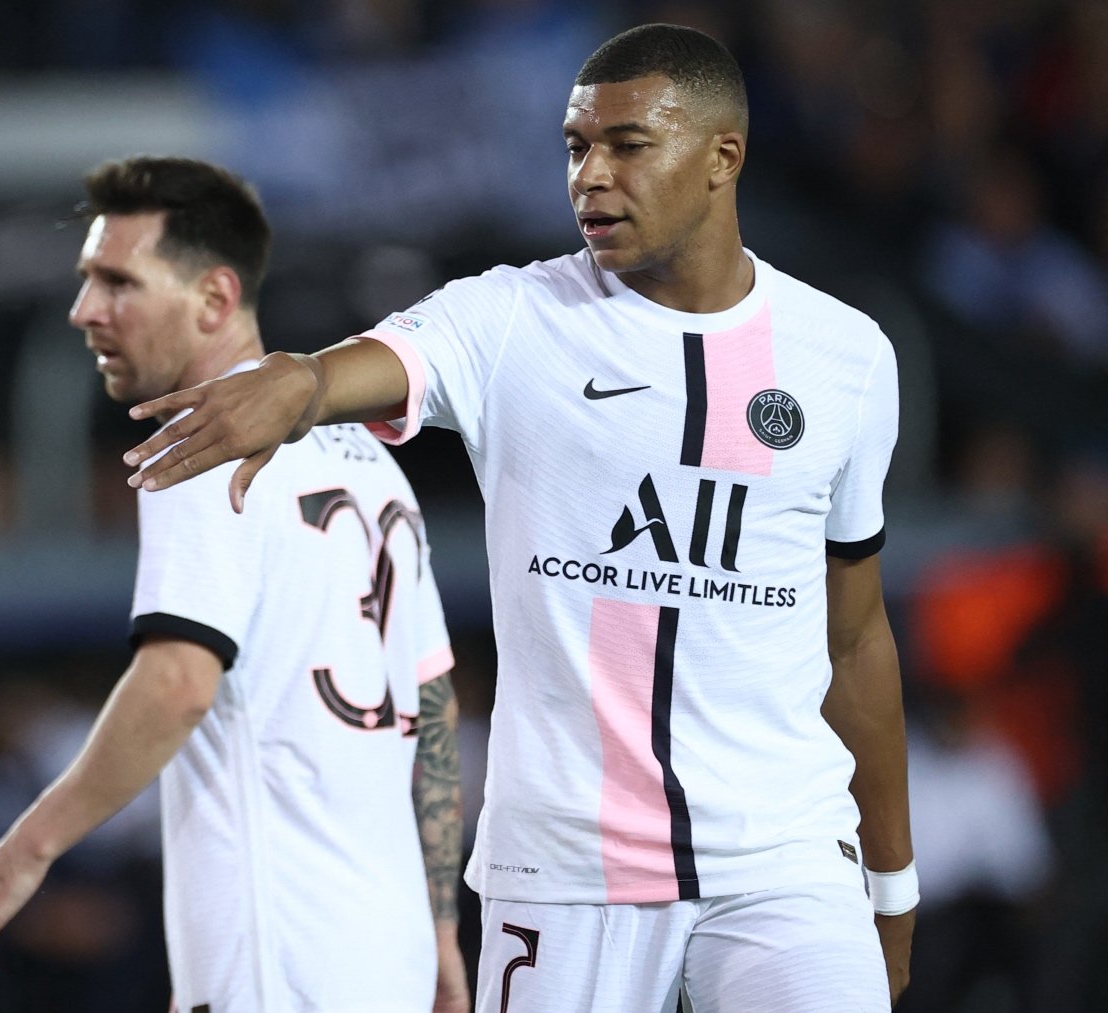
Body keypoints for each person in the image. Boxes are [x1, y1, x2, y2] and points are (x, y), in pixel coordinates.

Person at [121, 25, 916, 1013]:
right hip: (568, 871)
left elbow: (857, 636)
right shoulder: (510, 320)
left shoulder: (847, 357)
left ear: (724, 156)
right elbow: (383, 361)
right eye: (576, 146)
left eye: (628, 145)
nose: (591, 175)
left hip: (785, 861)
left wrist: (892, 883)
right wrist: (302, 381)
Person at [0, 156, 470, 1013]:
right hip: (383, 956)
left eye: (117, 281)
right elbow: (432, 711)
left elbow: (177, 683)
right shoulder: (371, 461)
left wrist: (19, 859)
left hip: (281, 960)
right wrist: (441, 933)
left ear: (213, 298)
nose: (84, 309)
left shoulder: (204, 440)